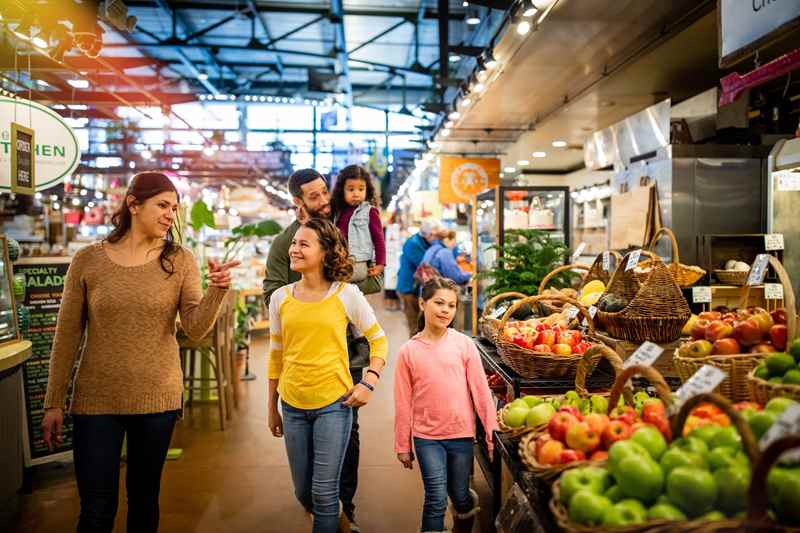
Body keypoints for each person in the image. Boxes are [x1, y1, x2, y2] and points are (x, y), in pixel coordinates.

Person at [40, 172, 239, 533]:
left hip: (156, 399)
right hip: (96, 400)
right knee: (96, 510)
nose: (170, 215)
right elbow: (66, 334)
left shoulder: (180, 260)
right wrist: (53, 401)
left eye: (174, 208)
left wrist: (217, 291)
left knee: (144, 502)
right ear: (133, 205)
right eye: (162, 205)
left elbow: (195, 328)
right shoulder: (87, 260)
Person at [263, 168, 382, 531]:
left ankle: (344, 509)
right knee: (306, 484)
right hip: (300, 360)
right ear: (298, 202)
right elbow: (271, 294)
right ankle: (323, 503)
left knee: (349, 435)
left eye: (324, 192)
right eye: (313, 196)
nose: (324, 201)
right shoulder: (285, 244)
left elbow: (376, 278)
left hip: (347, 355)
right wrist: (304, 299)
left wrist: (337, 289)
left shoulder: (345, 228)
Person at [394, 277, 498, 533]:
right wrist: (402, 444)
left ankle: (465, 512)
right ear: (422, 304)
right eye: (439, 303)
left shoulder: (464, 345)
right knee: (435, 498)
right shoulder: (408, 351)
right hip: (427, 437)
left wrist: (491, 434)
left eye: (451, 305)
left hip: (461, 435)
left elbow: (481, 393)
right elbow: (402, 401)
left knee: (460, 495)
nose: (445, 310)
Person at [331, 164, 386, 283]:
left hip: (358, 262)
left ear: (367, 190)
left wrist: (380, 263)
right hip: (338, 260)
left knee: (340, 285)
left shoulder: (370, 212)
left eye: (361, 189)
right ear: (342, 190)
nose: (356, 194)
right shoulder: (337, 212)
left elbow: (379, 239)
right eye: (351, 189)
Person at [396, 221, 438, 337]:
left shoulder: (423, 242)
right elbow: (423, 265)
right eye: (433, 235)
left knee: (419, 325)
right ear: (426, 234)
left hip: (414, 287)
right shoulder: (413, 244)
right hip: (408, 288)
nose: (435, 238)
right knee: (414, 326)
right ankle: (413, 347)